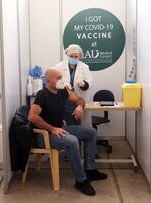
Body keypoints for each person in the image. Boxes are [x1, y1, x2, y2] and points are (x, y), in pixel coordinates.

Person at [28, 67, 107, 196]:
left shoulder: (62, 91)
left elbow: (79, 99)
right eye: (58, 77)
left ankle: (90, 170)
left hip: (60, 128)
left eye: (61, 77)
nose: (62, 80)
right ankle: (81, 180)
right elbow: (32, 116)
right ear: (48, 80)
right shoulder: (42, 95)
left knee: (91, 132)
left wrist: (80, 107)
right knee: (72, 141)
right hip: (45, 134)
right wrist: (52, 129)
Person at [55, 44, 93, 126]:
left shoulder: (84, 67)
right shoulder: (59, 67)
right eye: (71, 56)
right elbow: (55, 82)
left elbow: (89, 83)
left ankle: (82, 137)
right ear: (67, 56)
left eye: (76, 56)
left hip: (80, 98)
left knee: (81, 123)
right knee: (66, 121)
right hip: (65, 99)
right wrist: (63, 85)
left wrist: (83, 84)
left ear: (79, 56)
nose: (73, 58)